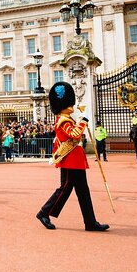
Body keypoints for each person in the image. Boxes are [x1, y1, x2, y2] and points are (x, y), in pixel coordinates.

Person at [36, 82, 109, 232]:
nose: (72, 105)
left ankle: (90, 222)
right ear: (64, 104)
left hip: (75, 159)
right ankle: (44, 212)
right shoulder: (64, 120)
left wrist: (82, 123)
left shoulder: (67, 118)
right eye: (70, 103)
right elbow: (74, 134)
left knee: (83, 191)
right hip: (70, 160)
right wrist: (84, 120)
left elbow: (75, 136)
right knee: (64, 189)